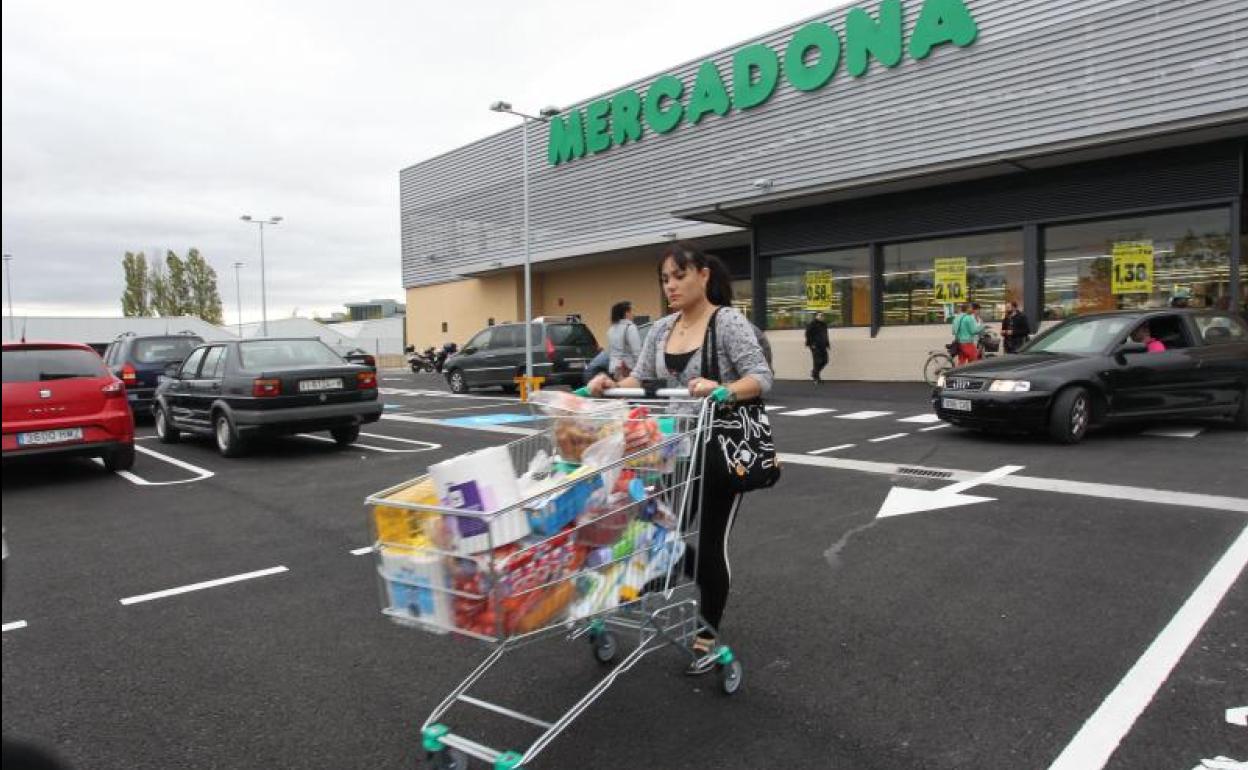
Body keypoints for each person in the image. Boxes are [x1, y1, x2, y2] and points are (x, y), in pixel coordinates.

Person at [587, 246, 772, 675]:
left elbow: (760, 377)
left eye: (678, 276)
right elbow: (641, 379)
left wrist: (722, 388)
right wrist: (607, 384)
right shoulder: (662, 328)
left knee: (708, 543)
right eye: (665, 279)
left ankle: (707, 633)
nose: (669, 285)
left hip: (719, 451)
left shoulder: (727, 322)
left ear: (703, 276)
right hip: (668, 450)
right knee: (657, 528)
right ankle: (667, 577)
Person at [606, 300, 643, 380]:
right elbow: (637, 351)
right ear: (626, 313)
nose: (634, 314)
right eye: (632, 311)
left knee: (617, 391)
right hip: (627, 369)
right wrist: (641, 369)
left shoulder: (611, 329)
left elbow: (609, 351)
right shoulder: (630, 327)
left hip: (613, 369)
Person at [804, 311, 831, 383]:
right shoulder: (812, 324)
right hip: (815, 345)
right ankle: (816, 378)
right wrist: (811, 344)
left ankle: (814, 373)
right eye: (820, 315)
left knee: (825, 360)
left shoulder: (824, 324)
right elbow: (807, 334)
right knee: (817, 361)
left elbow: (825, 335)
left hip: (823, 345)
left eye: (823, 316)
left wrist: (827, 344)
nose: (822, 317)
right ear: (816, 316)